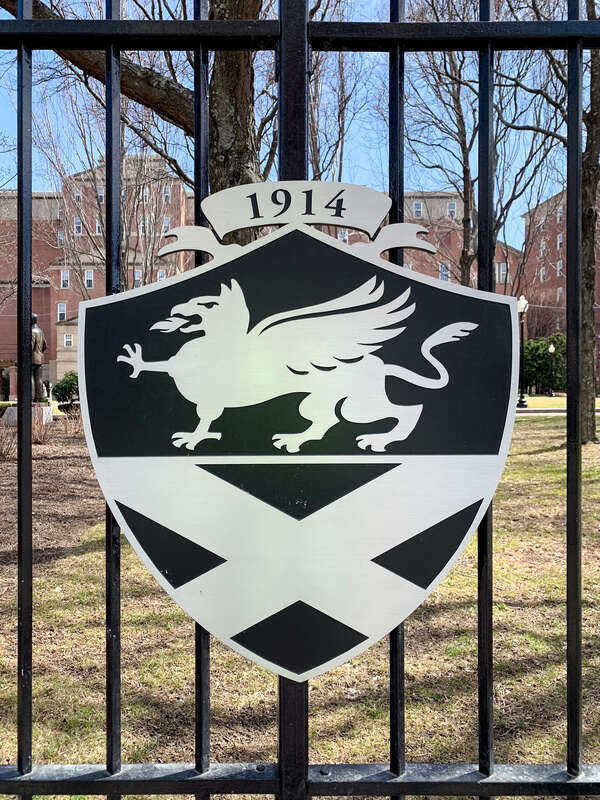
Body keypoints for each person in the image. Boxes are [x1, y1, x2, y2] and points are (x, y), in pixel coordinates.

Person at [31, 313, 47, 402]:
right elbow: (45, 345)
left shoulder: (32, 331)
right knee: (39, 378)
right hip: (40, 358)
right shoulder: (40, 331)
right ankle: (39, 397)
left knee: (30, 377)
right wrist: (40, 352)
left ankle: (31, 396)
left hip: (32, 358)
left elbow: (31, 346)